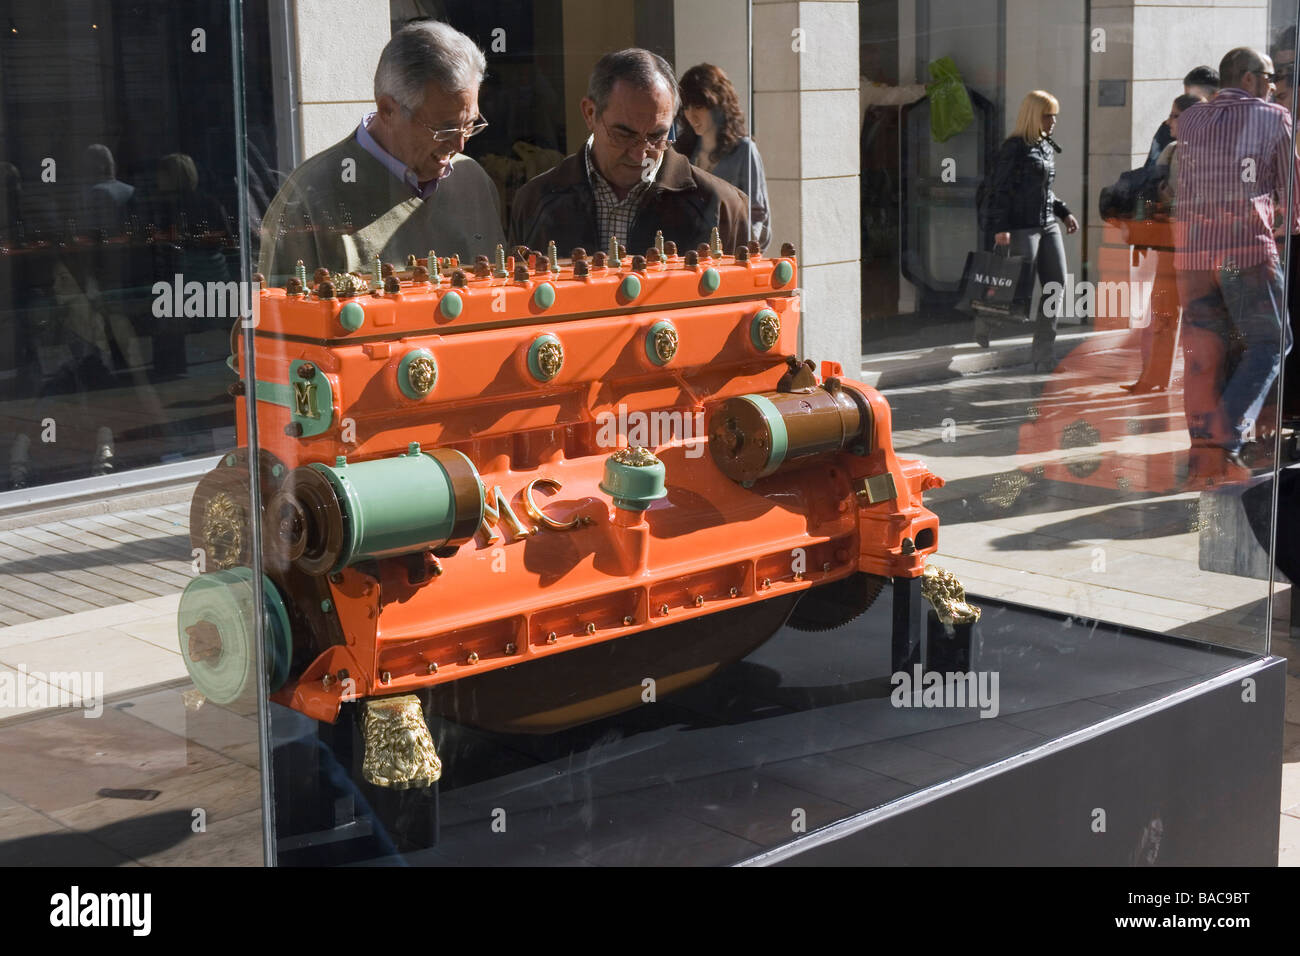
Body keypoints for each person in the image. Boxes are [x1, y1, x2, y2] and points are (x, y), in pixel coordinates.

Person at [258, 21, 505, 284]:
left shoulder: (472, 180)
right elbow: (281, 318)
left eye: (469, 125)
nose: (460, 145)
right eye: (444, 129)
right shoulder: (310, 196)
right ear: (388, 109)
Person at [1175, 46, 1299, 475]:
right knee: (1270, 342)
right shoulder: (1274, 118)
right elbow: (1293, 197)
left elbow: (1183, 188)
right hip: (1245, 251)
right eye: (1269, 75)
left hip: (1192, 255)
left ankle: (1201, 446)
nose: (1273, 84)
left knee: (1204, 350)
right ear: (1247, 78)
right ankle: (1223, 436)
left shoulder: (1190, 119)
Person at [509, 48, 749, 258]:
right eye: (624, 134)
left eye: (656, 137)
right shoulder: (534, 202)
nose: (640, 155)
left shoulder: (723, 207)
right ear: (590, 113)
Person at [981, 90, 1079, 369]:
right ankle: (987, 318)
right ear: (1034, 116)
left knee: (1056, 283)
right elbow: (999, 190)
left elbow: (1045, 191)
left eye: (1055, 115)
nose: (1053, 121)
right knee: (1017, 288)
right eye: (1048, 115)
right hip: (1022, 226)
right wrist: (1001, 228)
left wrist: (1064, 212)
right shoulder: (1014, 148)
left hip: (1047, 224)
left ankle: (1043, 354)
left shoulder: (1046, 146)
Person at [675, 63, 771, 250]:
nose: (691, 115)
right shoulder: (682, 151)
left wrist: (742, 253)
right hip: (689, 259)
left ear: (719, 106)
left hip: (730, 259)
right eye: (686, 107)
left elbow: (758, 217)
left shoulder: (744, 150)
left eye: (699, 106)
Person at [1144, 66, 1220, 170]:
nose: (1187, 105)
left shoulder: (1227, 133)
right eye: (1186, 97)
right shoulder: (1168, 130)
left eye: (1195, 99)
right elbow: (1150, 171)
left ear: (1215, 97)